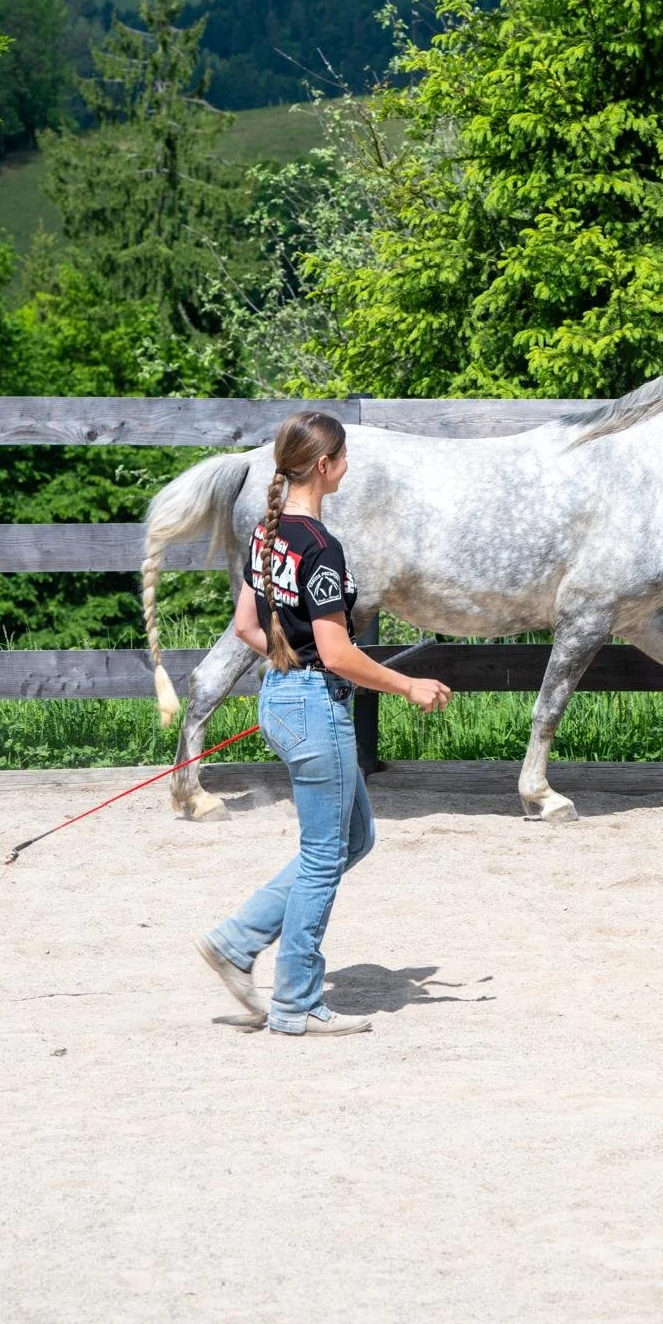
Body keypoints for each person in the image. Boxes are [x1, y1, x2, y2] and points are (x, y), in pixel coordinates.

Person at [196, 411, 451, 1036]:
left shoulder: (268, 533)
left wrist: (290, 662)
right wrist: (408, 683)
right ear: (324, 466)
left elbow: (248, 629)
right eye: (343, 457)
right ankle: (296, 1002)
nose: (347, 466)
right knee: (321, 856)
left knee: (354, 839)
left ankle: (237, 940)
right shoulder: (321, 547)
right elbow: (337, 654)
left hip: (283, 699)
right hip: (315, 707)